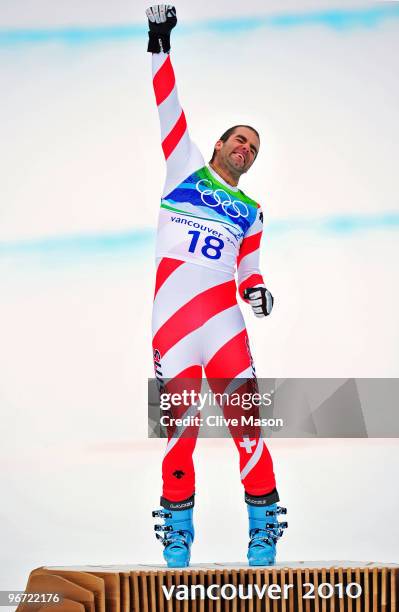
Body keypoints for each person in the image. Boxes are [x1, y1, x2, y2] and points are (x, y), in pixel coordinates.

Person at [146, 4, 287, 567]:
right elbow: (167, 105)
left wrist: (257, 293)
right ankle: (177, 538)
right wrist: (160, 44)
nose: (245, 148)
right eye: (239, 139)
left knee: (247, 430)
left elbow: (249, 269)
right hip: (174, 325)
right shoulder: (182, 166)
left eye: (254, 147)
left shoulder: (251, 210)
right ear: (218, 145)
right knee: (178, 437)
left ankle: (263, 533)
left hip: (224, 327)